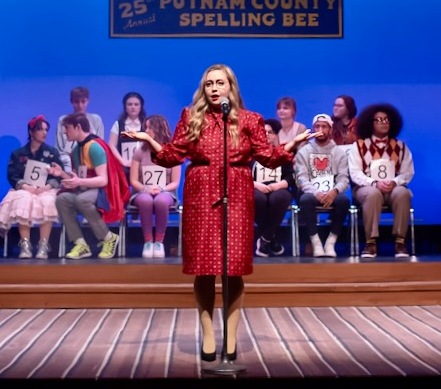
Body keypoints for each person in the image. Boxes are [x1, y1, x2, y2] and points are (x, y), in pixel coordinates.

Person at [124, 63, 312, 364]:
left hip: (236, 191)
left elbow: (267, 156)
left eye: (219, 83)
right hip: (201, 192)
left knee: (233, 267)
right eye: (209, 83)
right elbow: (173, 154)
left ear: (230, 87)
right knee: (205, 267)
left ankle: (232, 336)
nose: (213, 88)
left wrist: (291, 144)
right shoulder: (191, 116)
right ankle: (208, 333)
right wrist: (150, 141)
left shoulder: (250, 119)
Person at [51, 112, 125, 260]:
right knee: (62, 199)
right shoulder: (76, 150)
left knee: (82, 200)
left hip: (103, 192)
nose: (65, 131)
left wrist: (79, 182)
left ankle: (108, 237)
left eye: (67, 128)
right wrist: (62, 175)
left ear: (78, 127)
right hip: (85, 189)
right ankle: (81, 243)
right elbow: (78, 177)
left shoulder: (95, 147)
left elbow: (103, 180)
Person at [348, 103, 415, 259]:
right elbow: (355, 173)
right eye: (379, 119)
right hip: (366, 187)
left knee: (402, 193)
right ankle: (370, 242)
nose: (384, 122)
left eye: (386, 119)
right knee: (373, 194)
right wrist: (374, 183)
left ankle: (400, 241)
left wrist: (395, 182)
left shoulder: (400, 147)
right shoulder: (358, 146)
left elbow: (408, 172)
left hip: (392, 187)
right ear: (370, 123)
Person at [0, 115, 63, 259]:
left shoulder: (52, 153)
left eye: (46, 130)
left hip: (45, 189)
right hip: (25, 189)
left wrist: (48, 186)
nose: (44, 133)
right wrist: (25, 186)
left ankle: (43, 245)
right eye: (40, 129)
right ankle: (25, 244)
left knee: (48, 202)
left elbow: (58, 175)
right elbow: (12, 174)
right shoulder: (18, 153)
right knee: (22, 200)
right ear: (31, 131)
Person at [293, 112, 351, 258]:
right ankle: (315, 242)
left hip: (332, 193)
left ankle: (331, 242)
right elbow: (301, 179)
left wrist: (335, 191)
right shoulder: (303, 152)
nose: (320, 129)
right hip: (312, 193)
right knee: (305, 200)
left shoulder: (339, 153)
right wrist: (316, 192)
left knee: (344, 201)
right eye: (317, 126)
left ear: (330, 130)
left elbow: (344, 178)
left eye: (324, 126)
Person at [128, 113, 181, 258]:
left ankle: (159, 241)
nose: (146, 130)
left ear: (158, 129)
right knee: (145, 200)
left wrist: (161, 189)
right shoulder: (139, 152)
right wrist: (145, 189)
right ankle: (148, 241)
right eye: (145, 127)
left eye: (149, 127)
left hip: (165, 192)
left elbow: (175, 182)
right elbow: (133, 180)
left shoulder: (173, 152)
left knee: (160, 200)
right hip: (142, 191)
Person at [252, 118, 295, 258]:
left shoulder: (282, 152)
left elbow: (290, 178)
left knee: (279, 198)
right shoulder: (250, 154)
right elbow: (242, 175)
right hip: (255, 187)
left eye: (270, 132)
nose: (266, 135)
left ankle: (264, 238)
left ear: (275, 135)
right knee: (258, 198)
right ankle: (271, 238)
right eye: (263, 132)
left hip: (278, 187)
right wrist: (257, 185)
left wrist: (277, 185)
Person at [55, 86, 105, 168]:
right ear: (71, 102)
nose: (80, 105)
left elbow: (100, 145)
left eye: (83, 101)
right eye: (76, 102)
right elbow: (59, 150)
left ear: (88, 101)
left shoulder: (96, 120)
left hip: (92, 162)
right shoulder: (63, 120)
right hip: (67, 163)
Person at [109, 91, 147, 168]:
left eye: (136, 104)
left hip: (142, 168)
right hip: (123, 168)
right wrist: (123, 161)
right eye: (130, 104)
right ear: (125, 107)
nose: (133, 107)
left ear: (141, 106)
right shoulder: (118, 125)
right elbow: (111, 145)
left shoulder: (147, 124)